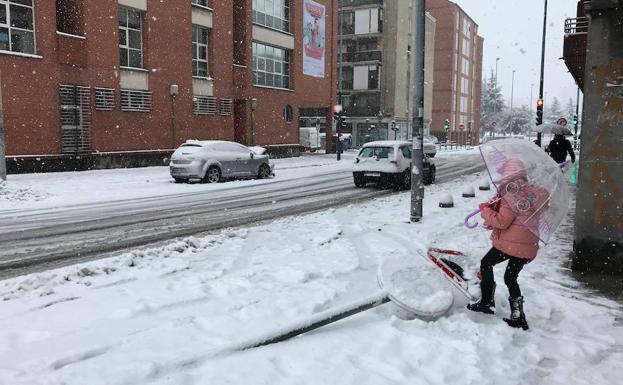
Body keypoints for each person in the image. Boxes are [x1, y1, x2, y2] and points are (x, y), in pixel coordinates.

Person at [467, 158, 544, 331]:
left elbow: (502, 222)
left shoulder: (511, 193)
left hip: (512, 244)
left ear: (508, 175)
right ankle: (518, 316)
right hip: (528, 245)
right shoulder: (532, 192)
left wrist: (485, 210)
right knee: (510, 278)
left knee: (486, 263)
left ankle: (487, 302)